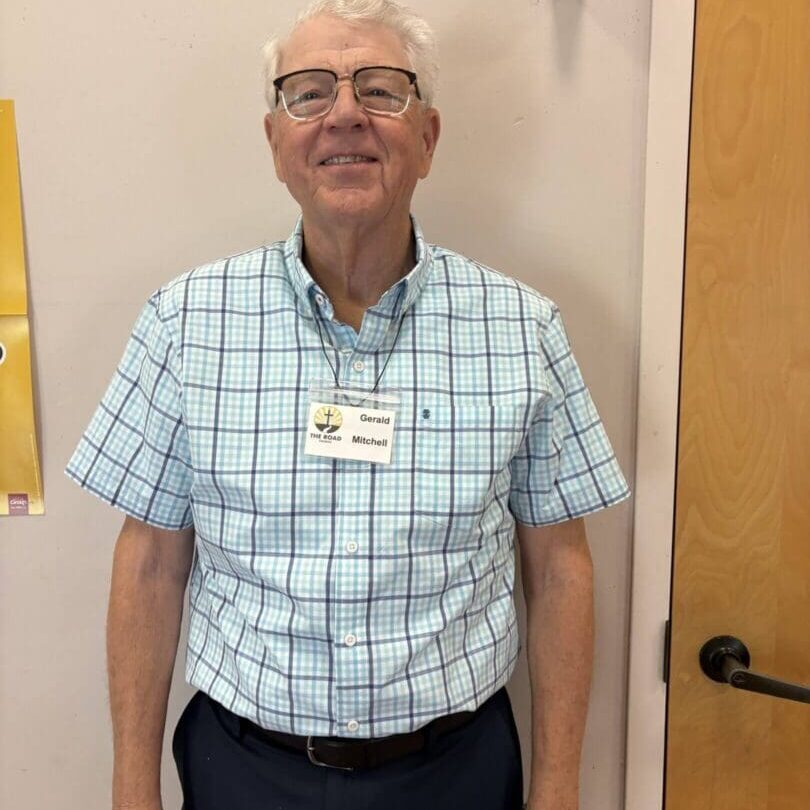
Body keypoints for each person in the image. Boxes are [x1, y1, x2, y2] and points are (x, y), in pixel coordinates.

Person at [64, 1, 631, 808]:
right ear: (275, 144)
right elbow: (150, 563)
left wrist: (558, 788)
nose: (343, 116)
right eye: (307, 93)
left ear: (427, 138)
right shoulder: (184, 322)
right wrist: (130, 788)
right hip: (244, 771)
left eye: (380, 89)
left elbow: (561, 567)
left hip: (458, 773)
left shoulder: (522, 329)